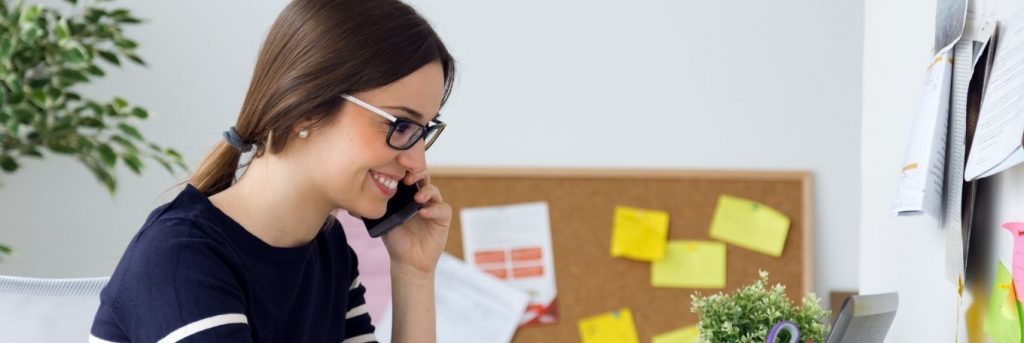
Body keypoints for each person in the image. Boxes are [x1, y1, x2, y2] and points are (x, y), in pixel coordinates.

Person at [89, 0, 456, 341]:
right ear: (306, 107)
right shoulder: (182, 259)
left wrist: (414, 273)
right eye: (401, 126)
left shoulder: (329, 251)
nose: (417, 162)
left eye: (423, 132)